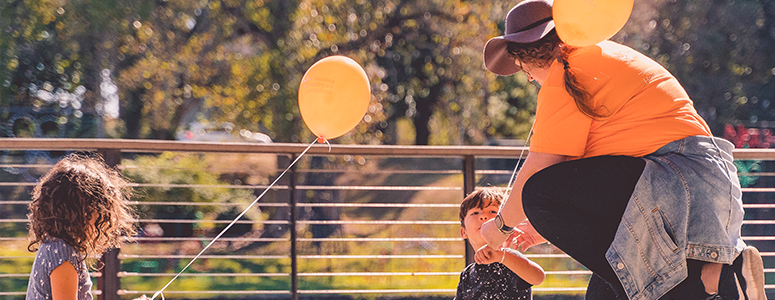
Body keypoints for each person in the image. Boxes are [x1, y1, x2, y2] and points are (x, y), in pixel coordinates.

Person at [476, 0, 767, 299]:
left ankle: (710, 277)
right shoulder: (603, 55)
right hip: (704, 186)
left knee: (538, 193)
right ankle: (721, 280)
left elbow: (541, 170)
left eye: (524, 70)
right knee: (606, 293)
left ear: (527, 58)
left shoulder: (565, 72)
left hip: (673, 182)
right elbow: (584, 182)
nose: (529, 78)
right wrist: (541, 226)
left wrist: (501, 227)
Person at [26, 154, 137, 300]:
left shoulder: (56, 244)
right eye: (99, 212)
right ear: (81, 213)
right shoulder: (62, 254)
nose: (103, 219)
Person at [455, 188, 545, 300]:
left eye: (492, 212)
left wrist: (501, 257)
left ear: (507, 224)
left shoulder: (508, 259)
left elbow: (538, 277)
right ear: (464, 232)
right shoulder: (467, 275)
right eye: (475, 213)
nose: (483, 216)